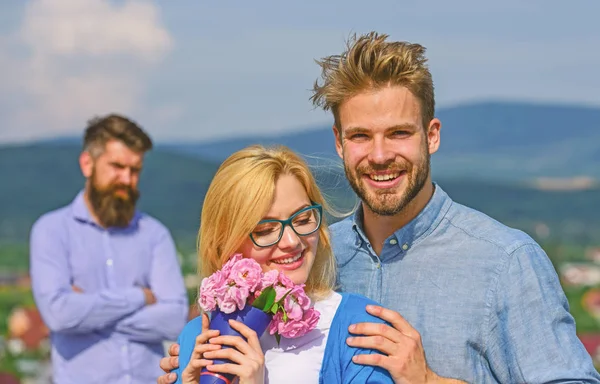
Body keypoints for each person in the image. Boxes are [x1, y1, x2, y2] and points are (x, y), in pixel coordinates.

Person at [159, 32, 600, 383]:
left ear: (432, 136)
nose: (380, 154)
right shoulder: (314, 256)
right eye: (360, 136)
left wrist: (429, 382)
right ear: (338, 142)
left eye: (399, 133)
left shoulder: (504, 261)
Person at [172, 145, 395, 383]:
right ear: (223, 244)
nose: (292, 241)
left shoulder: (359, 328)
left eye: (302, 219)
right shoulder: (196, 337)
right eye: (266, 230)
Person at [30, 114, 189, 384]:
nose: (126, 179)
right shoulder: (51, 231)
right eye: (117, 166)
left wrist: (90, 313)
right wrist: (139, 297)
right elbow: (59, 315)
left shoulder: (155, 234)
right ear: (87, 164)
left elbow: (174, 319)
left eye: (135, 170)